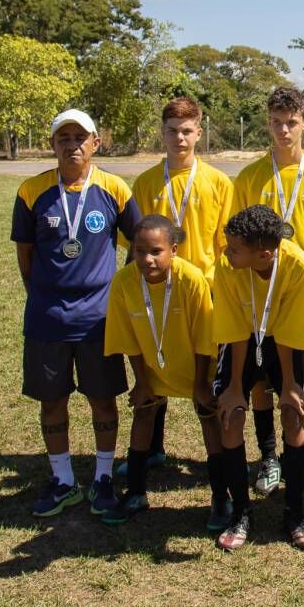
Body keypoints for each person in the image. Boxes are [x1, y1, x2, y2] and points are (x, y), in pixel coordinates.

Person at [12, 109, 140, 518]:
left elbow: (138, 243)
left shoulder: (115, 189)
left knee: (103, 400)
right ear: (53, 144)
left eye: (80, 137)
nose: (72, 145)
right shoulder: (31, 191)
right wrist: (46, 296)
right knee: (52, 402)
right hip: (47, 318)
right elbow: (25, 258)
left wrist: (116, 288)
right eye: (63, 137)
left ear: (96, 143)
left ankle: (103, 477)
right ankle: (63, 479)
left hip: (98, 320)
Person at [233, 86, 304, 496]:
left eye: (291, 123)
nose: (283, 130)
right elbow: (238, 238)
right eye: (276, 122)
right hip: (256, 295)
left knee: (296, 380)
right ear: (267, 123)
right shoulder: (250, 177)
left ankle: (299, 455)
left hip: (300, 298)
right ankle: (268, 457)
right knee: (260, 381)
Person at [124, 97, 233, 478]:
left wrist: (217, 290)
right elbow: (135, 244)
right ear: (162, 133)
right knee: (155, 362)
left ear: (199, 133)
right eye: (172, 131)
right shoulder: (145, 182)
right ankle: (152, 448)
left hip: (201, 291)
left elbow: (225, 248)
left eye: (187, 131)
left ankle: (218, 459)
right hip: (155, 288)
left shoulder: (218, 183)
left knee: (204, 376)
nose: (179, 138)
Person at [101, 215, 222, 525]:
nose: (147, 259)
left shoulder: (192, 279)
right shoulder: (124, 282)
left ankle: (222, 498)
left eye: (156, 251)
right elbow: (128, 339)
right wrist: (141, 382)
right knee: (143, 412)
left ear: (174, 250)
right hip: (153, 368)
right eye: (140, 251)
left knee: (209, 417)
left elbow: (205, 340)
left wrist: (200, 386)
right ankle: (136, 494)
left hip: (197, 367)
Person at [210, 206, 304, 551]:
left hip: (283, 342)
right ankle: (240, 512)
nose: (227, 252)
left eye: (234, 248)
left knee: (292, 415)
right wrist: (233, 390)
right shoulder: (226, 267)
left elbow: (289, 332)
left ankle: (295, 514)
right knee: (231, 416)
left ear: (265, 254)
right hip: (243, 337)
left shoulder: (298, 266)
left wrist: (289, 387)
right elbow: (234, 329)